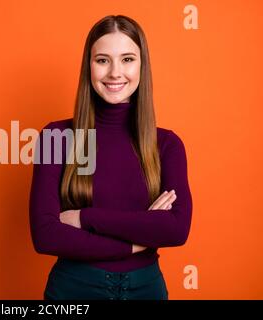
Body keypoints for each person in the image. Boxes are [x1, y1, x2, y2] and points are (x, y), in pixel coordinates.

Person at [29, 15, 193, 300]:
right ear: (88, 67)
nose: (115, 72)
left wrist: (84, 217)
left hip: (146, 290)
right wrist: (138, 236)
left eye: (127, 59)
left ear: (142, 65)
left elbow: (176, 229)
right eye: (103, 60)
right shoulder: (56, 136)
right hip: (73, 290)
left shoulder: (167, 144)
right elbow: (45, 235)